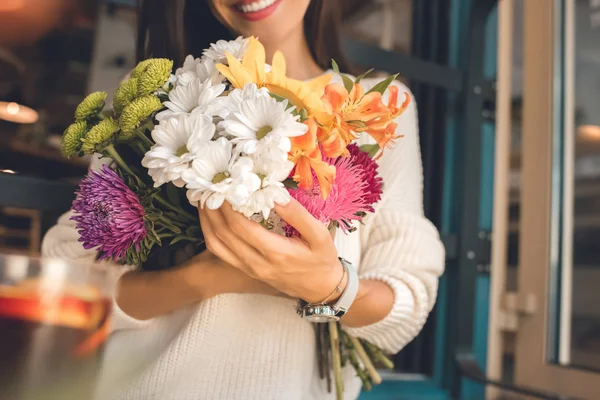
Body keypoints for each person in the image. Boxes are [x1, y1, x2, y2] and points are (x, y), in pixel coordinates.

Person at [42, 1, 445, 399]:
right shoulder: (161, 96)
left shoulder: (375, 110)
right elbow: (72, 286)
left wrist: (329, 286)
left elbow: (407, 298)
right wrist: (205, 278)